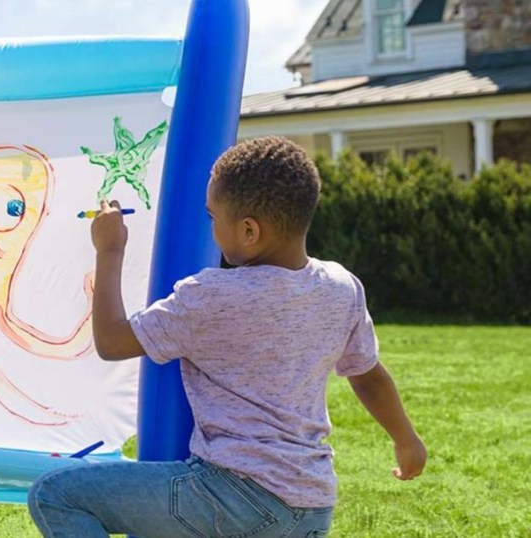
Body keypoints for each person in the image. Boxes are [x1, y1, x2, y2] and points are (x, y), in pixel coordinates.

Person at [27, 137, 426, 537]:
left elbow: (113, 342)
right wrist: (407, 441)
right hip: (312, 506)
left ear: (249, 231)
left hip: (230, 496)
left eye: (212, 217)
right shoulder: (342, 287)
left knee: (57, 495)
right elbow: (367, 375)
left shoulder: (212, 296)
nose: (212, 229)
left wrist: (110, 249)